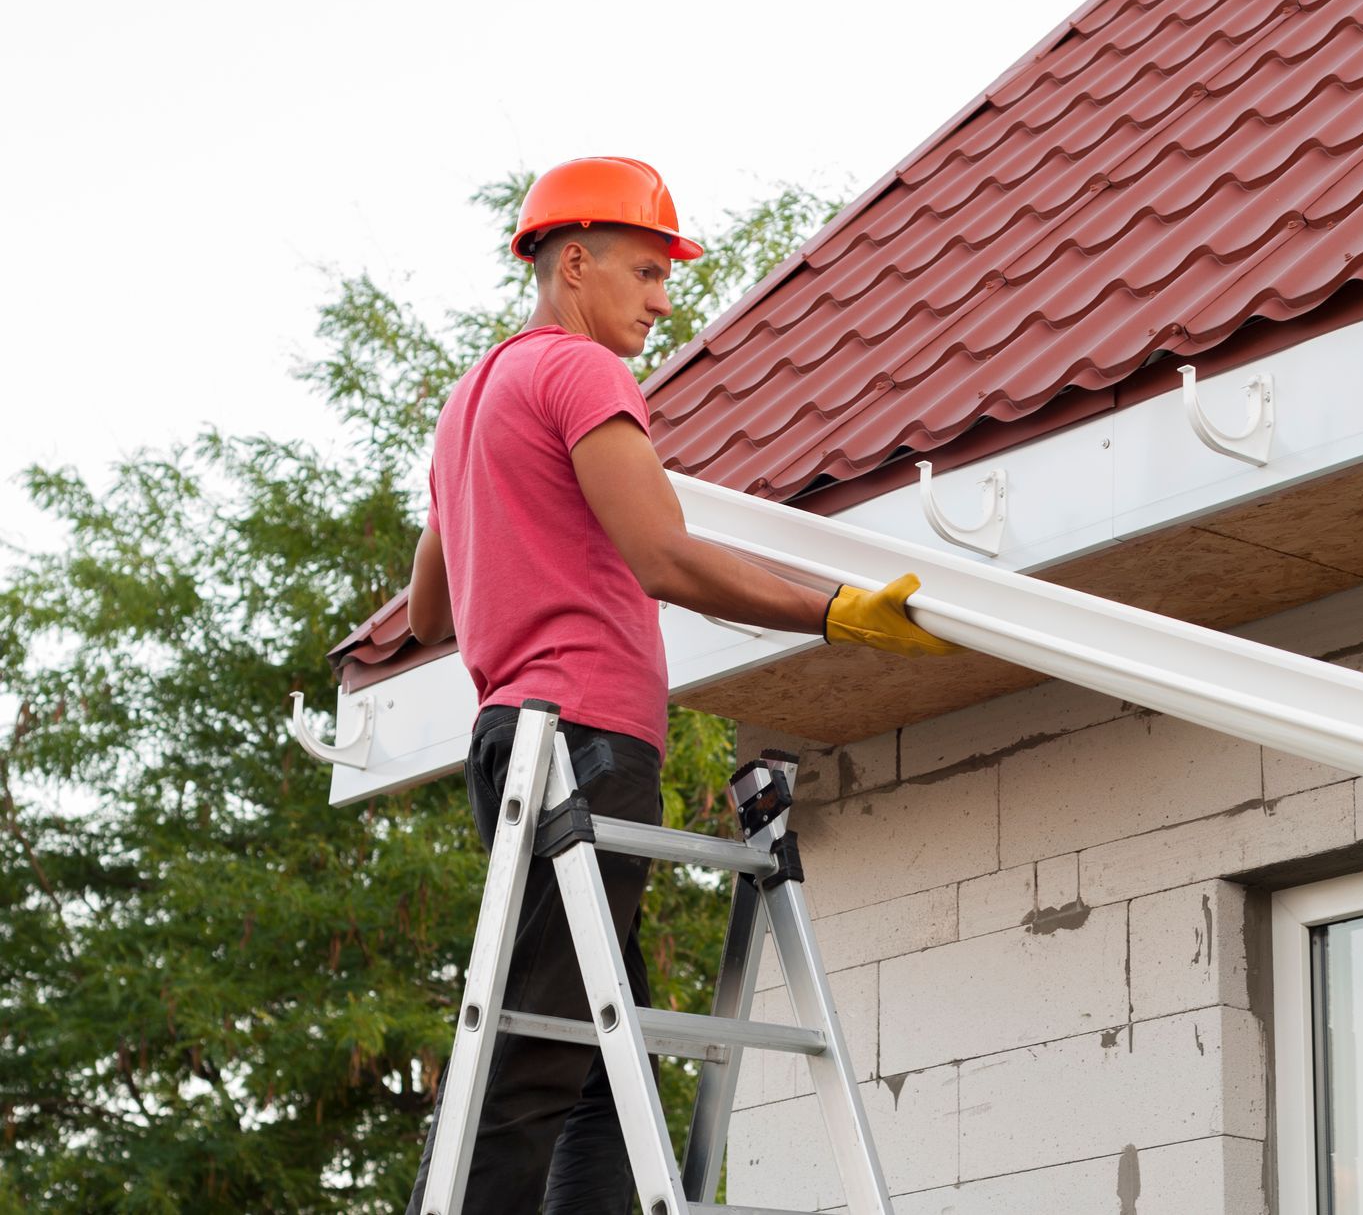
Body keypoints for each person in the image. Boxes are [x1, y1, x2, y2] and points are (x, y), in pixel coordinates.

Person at [401, 156, 958, 1213]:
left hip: (510, 747)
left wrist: (501, 532)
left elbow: (429, 615)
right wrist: (833, 607)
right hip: (584, 743)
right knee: (528, 1063)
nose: (665, 297)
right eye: (647, 271)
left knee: (600, 1079)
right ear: (576, 264)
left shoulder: (468, 400)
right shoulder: (579, 373)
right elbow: (665, 556)